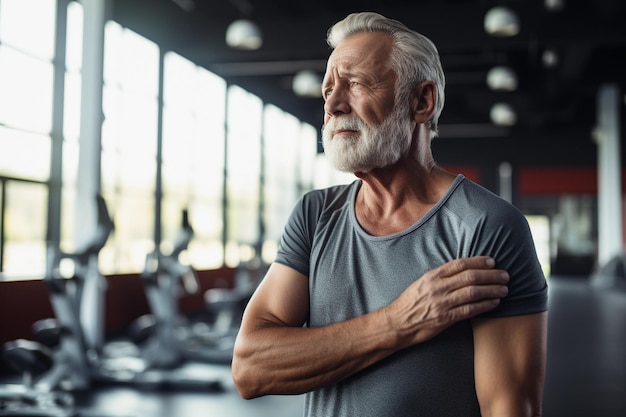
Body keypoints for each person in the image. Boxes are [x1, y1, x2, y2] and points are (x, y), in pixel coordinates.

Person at [232, 11, 548, 417]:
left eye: (357, 83)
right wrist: (399, 323)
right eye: (328, 90)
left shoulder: (485, 227)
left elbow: (509, 408)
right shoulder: (314, 216)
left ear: (421, 101)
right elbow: (250, 368)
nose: (332, 104)